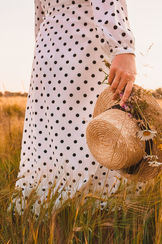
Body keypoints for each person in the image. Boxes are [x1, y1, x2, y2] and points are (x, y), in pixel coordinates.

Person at [9, 0, 142, 217]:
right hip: (84, 44)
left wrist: (44, 46)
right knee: (94, 136)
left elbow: (40, 15)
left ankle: (52, 225)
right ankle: (92, 223)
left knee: (52, 143)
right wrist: (123, 46)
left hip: (48, 46)